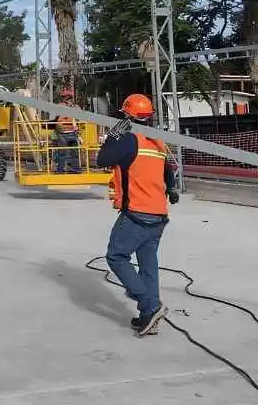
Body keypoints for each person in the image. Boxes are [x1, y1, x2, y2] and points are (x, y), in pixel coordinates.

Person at [96, 93, 180, 337]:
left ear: (127, 116)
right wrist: (172, 188)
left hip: (137, 214)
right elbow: (167, 170)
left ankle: (149, 303)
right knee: (148, 263)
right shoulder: (157, 142)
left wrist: (113, 136)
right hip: (158, 215)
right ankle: (148, 317)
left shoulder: (129, 140)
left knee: (116, 256)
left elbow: (102, 159)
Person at [52, 91, 81, 173]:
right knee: (73, 152)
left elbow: (53, 120)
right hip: (70, 132)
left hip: (64, 133)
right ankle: (75, 169)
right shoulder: (75, 107)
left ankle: (61, 169)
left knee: (62, 152)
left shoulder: (58, 106)